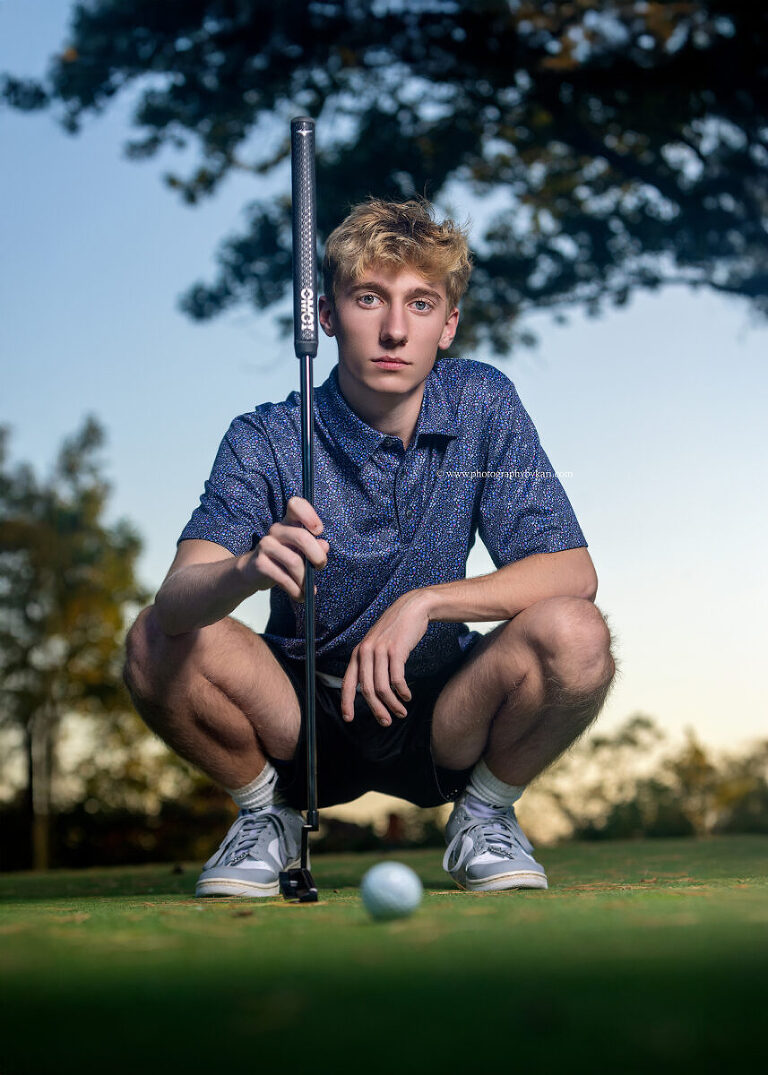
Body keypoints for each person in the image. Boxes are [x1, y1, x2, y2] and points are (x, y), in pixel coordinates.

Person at [123, 198, 616, 898]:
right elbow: (174, 601)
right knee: (149, 640)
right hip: (299, 722)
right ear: (325, 316)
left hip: (444, 709)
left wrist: (428, 602)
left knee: (577, 633)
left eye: (420, 304)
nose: (393, 328)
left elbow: (573, 572)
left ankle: (484, 813)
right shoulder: (265, 436)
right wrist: (243, 568)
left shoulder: (481, 402)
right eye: (368, 298)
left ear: (448, 325)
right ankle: (268, 813)